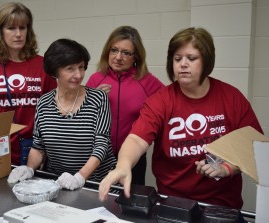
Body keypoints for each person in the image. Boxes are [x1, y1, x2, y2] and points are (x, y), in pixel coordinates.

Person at [99, 27, 263, 209]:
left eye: (191, 58)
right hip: (173, 203)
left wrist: (228, 168)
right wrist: (123, 165)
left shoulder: (231, 97)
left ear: (206, 61)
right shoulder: (160, 100)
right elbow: (137, 139)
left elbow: (254, 147)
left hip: (222, 205)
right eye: (177, 59)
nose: (183, 64)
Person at [7, 38, 117, 190]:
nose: (78, 75)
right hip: (58, 184)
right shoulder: (43, 103)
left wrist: (80, 177)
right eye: (70, 69)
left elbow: (101, 144)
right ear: (55, 71)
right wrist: (29, 168)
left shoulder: (98, 99)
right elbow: (39, 146)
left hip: (95, 184)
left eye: (81, 67)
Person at [0, 2, 56, 165]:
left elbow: (53, 109)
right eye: (11, 28)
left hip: (36, 149)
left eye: (22, 28)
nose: (18, 34)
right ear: (0, 31)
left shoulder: (43, 64)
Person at [86, 26, 164, 185]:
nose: (118, 57)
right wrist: (94, 98)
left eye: (126, 53)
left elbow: (172, 104)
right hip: (98, 157)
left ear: (136, 56)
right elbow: (80, 118)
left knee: (129, 205)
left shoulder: (147, 81)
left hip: (133, 159)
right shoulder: (96, 79)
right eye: (114, 50)